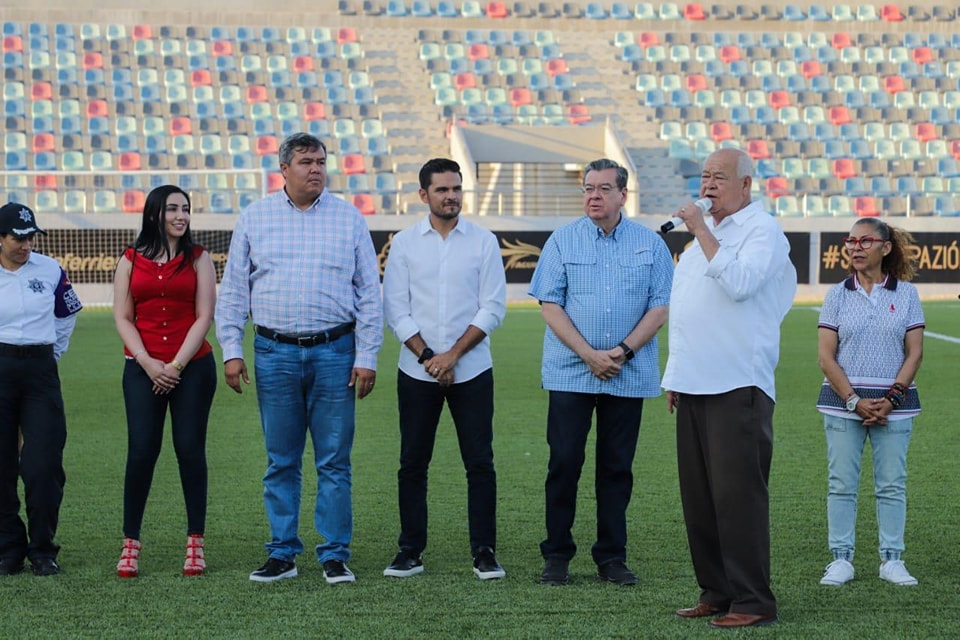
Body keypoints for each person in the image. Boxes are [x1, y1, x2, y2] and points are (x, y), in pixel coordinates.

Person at [215, 132, 383, 585]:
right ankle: (282, 553)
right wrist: (231, 350)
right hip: (274, 353)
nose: (316, 169)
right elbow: (233, 291)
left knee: (334, 460)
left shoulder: (349, 219)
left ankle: (334, 554)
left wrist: (367, 355)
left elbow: (370, 293)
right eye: (307, 161)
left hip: (335, 352)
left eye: (322, 161)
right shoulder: (255, 217)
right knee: (281, 459)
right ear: (283, 169)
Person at [662, 148, 796, 629]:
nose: (709, 184)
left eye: (720, 176)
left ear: (746, 185)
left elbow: (740, 285)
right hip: (696, 381)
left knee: (738, 498)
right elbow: (687, 310)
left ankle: (754, 600)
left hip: (738, 381)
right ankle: (716, 591)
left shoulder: (763, 231)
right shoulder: (707, 238)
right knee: (699, 499)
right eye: (704, 176)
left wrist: (700, 228)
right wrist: (676, 375)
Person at [528, 158, 673, 587]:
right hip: (571, 372)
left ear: (623, 195)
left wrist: (622, 352)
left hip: (627, 374)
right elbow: (549, 304)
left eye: (603, 188)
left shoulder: (650, 245)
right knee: (564, 463)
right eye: (588, 188)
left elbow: (660, 306)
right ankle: (556, 554)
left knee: (616, 468)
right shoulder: (562, 241)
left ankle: (611, 556)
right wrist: (589, 354)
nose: (593, 195)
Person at [381, 158, 507, 580]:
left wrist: (451, 356)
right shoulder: (403, 244)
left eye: (456, 189)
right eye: (442, 190)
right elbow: (396, 309)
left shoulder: (484, 241)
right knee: (412, 463)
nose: (451, 196)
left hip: (472, 370)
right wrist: (429, 358)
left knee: (480, 463)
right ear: (423, 195)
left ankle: (484, 551)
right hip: (417, 372)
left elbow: (493, 306)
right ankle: (410, 551)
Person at [112, 186, 218, 578]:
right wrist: (147, 362)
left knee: (190, 450)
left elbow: (203, 316)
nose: (181, 216)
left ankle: (195, 543)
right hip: (142, 368)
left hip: (192, 368)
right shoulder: (130, 259)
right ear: (155, 213)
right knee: (141, 451)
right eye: (173, 208)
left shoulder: (199, 258)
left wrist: (173, 366)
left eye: (186, 209)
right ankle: (130, 543)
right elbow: (123, 317)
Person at [816, 218, 923, 587]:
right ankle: (841, 559)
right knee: (841, 483)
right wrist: (854, 400)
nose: (856, 247)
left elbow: (914, 354)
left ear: (886, 247)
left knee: (892, 484)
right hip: (843, 404)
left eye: (865, 241)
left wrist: (891, 399)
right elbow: (826, 357)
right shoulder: (836, 295)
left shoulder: (906, 294)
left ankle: (892, 559)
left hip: (895, 406)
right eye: (851, 241)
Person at [0, 202, 82, 577]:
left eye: (31, 237)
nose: (25, 245)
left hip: (39, 371)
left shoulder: (50, 269)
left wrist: (54, 353)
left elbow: (67, 313)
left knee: (43, 464)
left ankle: (42, 549)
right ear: (0, 239)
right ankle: (8, 549)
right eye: (18, 238)